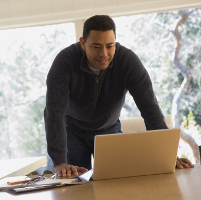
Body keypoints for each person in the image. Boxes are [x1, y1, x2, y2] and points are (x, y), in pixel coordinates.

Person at [44, 15, 194, 177]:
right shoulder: (65, 61)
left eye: (110, 46)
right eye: (96, 46)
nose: (104, 54)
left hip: (108, 130)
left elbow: (149, 107)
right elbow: (54, 112)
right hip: (71, 131)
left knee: (119, 181)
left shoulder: (127, 61)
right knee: (73, 184)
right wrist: (59, 161)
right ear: (82, 43)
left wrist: (168, 155)